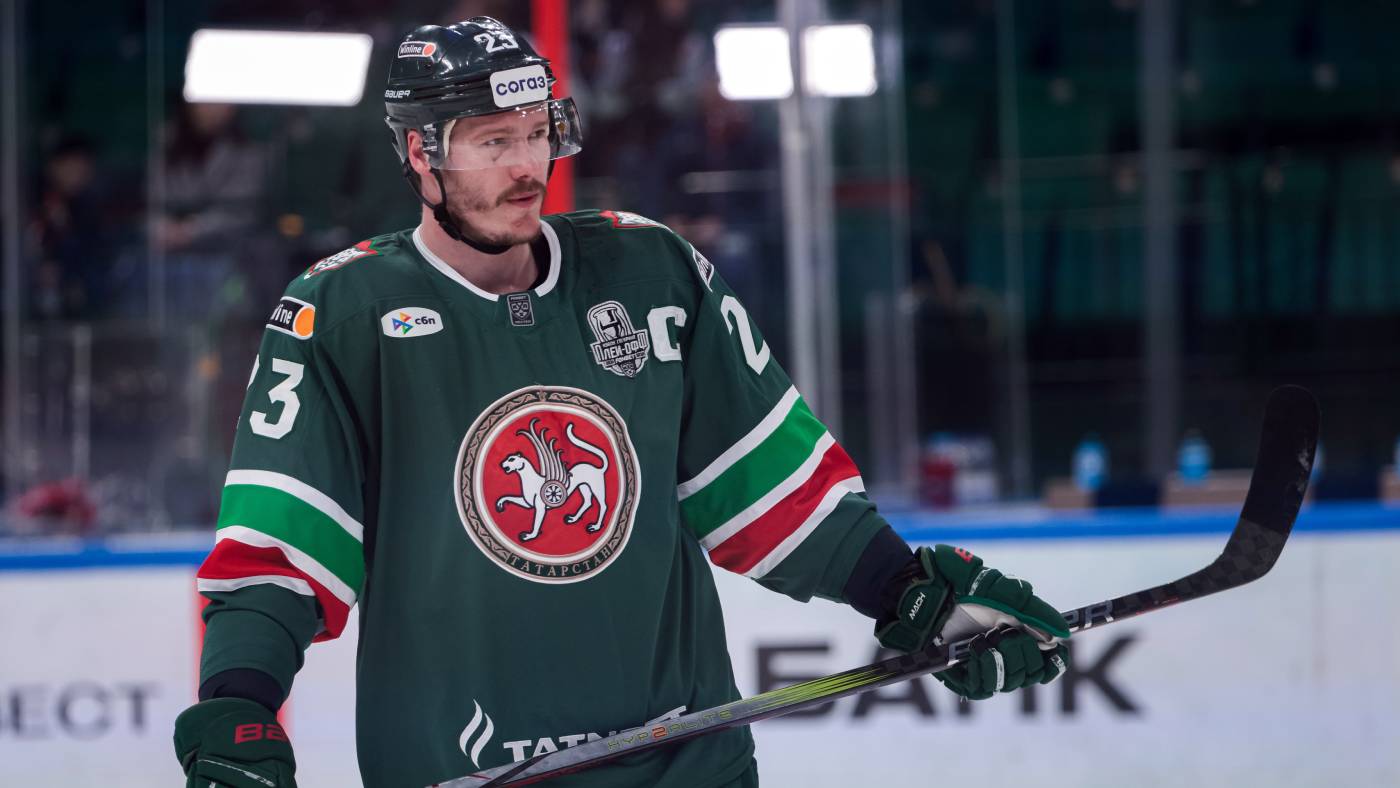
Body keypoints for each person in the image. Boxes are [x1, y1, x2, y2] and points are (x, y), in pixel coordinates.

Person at [172, 17, 1071, 788]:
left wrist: (909, 593)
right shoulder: (339, 316)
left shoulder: (651, 274)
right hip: (461, 769)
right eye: (493, 141)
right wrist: (239, 703)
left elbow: (772, 488)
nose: (527, 166)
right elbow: (279, 552)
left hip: (682, 762)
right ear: (420, 154)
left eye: (538, 133)